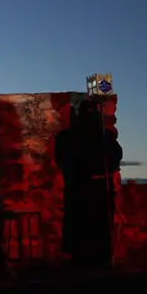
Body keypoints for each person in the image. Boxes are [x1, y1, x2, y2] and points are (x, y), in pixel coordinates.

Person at [55, 100, 123, 270]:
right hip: (83, 186)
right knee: (82, 226)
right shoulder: (70, 137)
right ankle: (84, 259)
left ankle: (97, 259)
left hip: (96, 187)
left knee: (98, 227)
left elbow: (115, 157)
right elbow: (64, 159)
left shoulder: (103, 136)